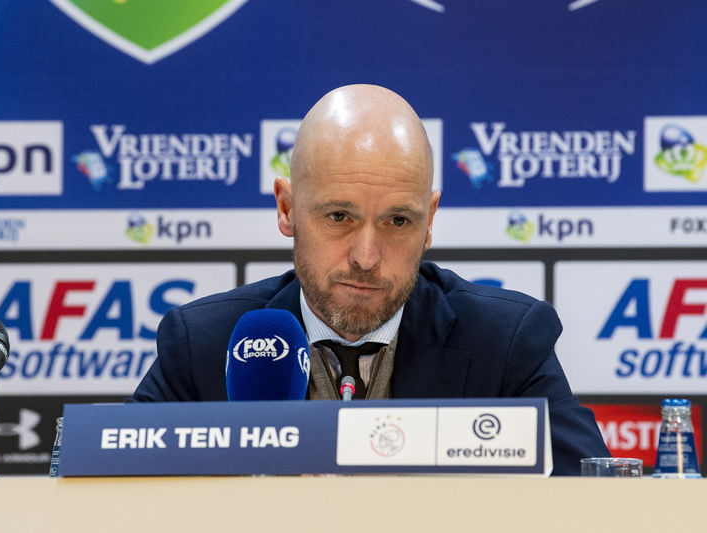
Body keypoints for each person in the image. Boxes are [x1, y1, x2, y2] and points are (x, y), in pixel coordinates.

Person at [130, 84, 609, 474]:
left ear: (429, 222)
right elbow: (117, 496)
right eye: (339, 216)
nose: (366, 258)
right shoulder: (203, 344)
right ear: (287, 209)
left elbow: (596, 500)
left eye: (398, 221)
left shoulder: (502, 343)